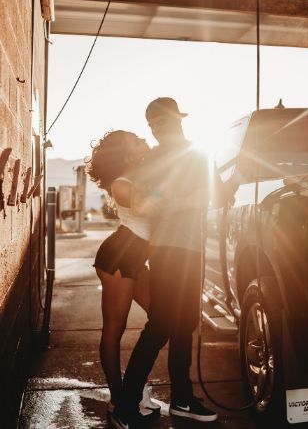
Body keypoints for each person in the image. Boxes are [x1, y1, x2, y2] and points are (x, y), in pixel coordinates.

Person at [110, 98, 217, 429]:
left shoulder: (199, 154)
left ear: (178, 120)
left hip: (192, 250)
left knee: (185, 326)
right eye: (152, 124)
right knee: (160, 326)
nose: (157, 129)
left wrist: (172, 201)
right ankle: (125, 406)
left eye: (162, 122)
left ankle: (183, 399)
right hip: (166, 249)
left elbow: (209, 197)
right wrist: (182, 201)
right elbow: (142, 204)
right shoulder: (152, 159)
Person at [85, 131, 161, 418]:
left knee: (163, 318)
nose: (144, 141)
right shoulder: (121, 184)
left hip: (135, 260)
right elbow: (150, 206)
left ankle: (133, 388)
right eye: (137, 140)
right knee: (114, 329)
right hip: (117, 258)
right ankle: (120, 399)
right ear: (129, 154)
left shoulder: (142, 175)